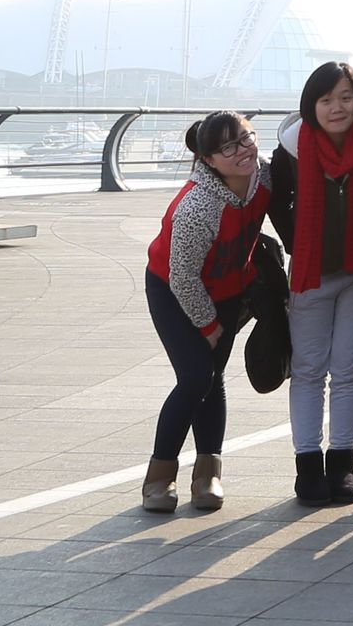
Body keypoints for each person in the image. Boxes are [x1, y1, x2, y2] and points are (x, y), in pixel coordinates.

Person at [266, 61, 353, 508]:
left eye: (346, 97)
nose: (337, 107)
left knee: (349, 369)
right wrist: (298, 241)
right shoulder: (292, 147)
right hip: (311, 274)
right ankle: (308, 466)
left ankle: (342, 464)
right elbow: (277, 200)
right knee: (309, 369)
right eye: (326, 99)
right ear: (310, 105)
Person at [142, 111, 267, 515]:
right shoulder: (198, 205)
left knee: (213, 380)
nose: (242, 151)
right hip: (174, 291)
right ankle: (159, 478)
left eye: (246, 138)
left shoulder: (264, 177)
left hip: (228, 290)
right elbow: (182, 276)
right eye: (228, 148)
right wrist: (208, 325)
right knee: (196, 378)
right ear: (208, 160)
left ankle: (207, 475)